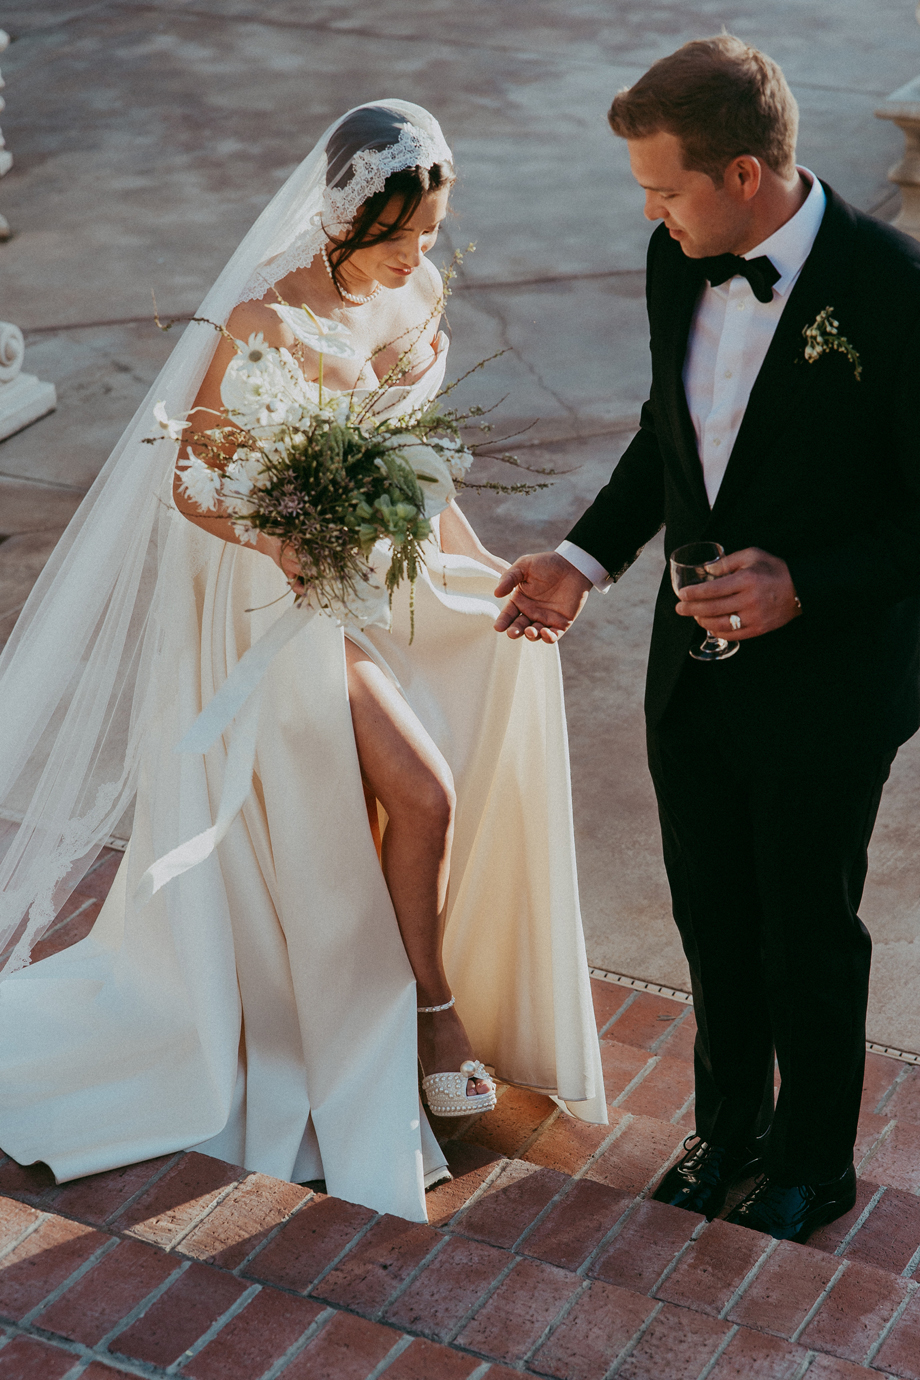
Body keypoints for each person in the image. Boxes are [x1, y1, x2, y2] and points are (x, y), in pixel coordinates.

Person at [0, 101, 605, 1224]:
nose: (416, 254)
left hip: (383, 579)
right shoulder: (265, 319)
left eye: (430, 232)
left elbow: (418, 465)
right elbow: (192, 483)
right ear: (341, 215)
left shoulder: (416, 295)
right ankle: (429, 1019)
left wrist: (478, 568)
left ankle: (402, 997)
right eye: (396, 233)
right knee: (421, 790)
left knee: (460, 727)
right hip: (275, 601)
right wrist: (287, 543)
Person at [494, 36, 920, 1244]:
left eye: (662, 187)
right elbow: (666, 435)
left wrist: (802, 587)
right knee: (713, 918)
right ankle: (726, 1131)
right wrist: (582, 559)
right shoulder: (672, 259)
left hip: (830, 679)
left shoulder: (894, 290)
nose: (648, 211)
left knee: (804, 930)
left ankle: (810, 1164)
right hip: (689, 670)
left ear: (741, 174)